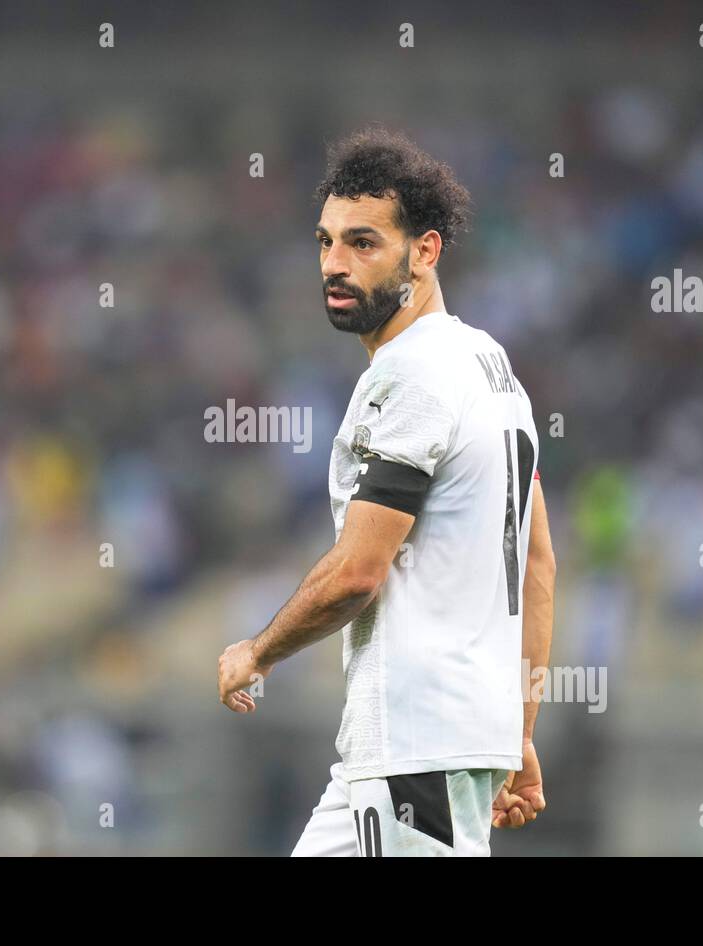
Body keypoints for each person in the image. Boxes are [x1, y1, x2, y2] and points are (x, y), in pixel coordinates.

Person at [217, 126, 556, 856]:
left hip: (415, 746)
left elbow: (358, 575)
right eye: (325, 242)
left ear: (424, 251)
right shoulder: (491, 366)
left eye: (363, 243)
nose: (334, 265)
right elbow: (536, 566)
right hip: (418, 749)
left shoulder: (414, 375)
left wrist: (260, 651)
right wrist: (515, 731)